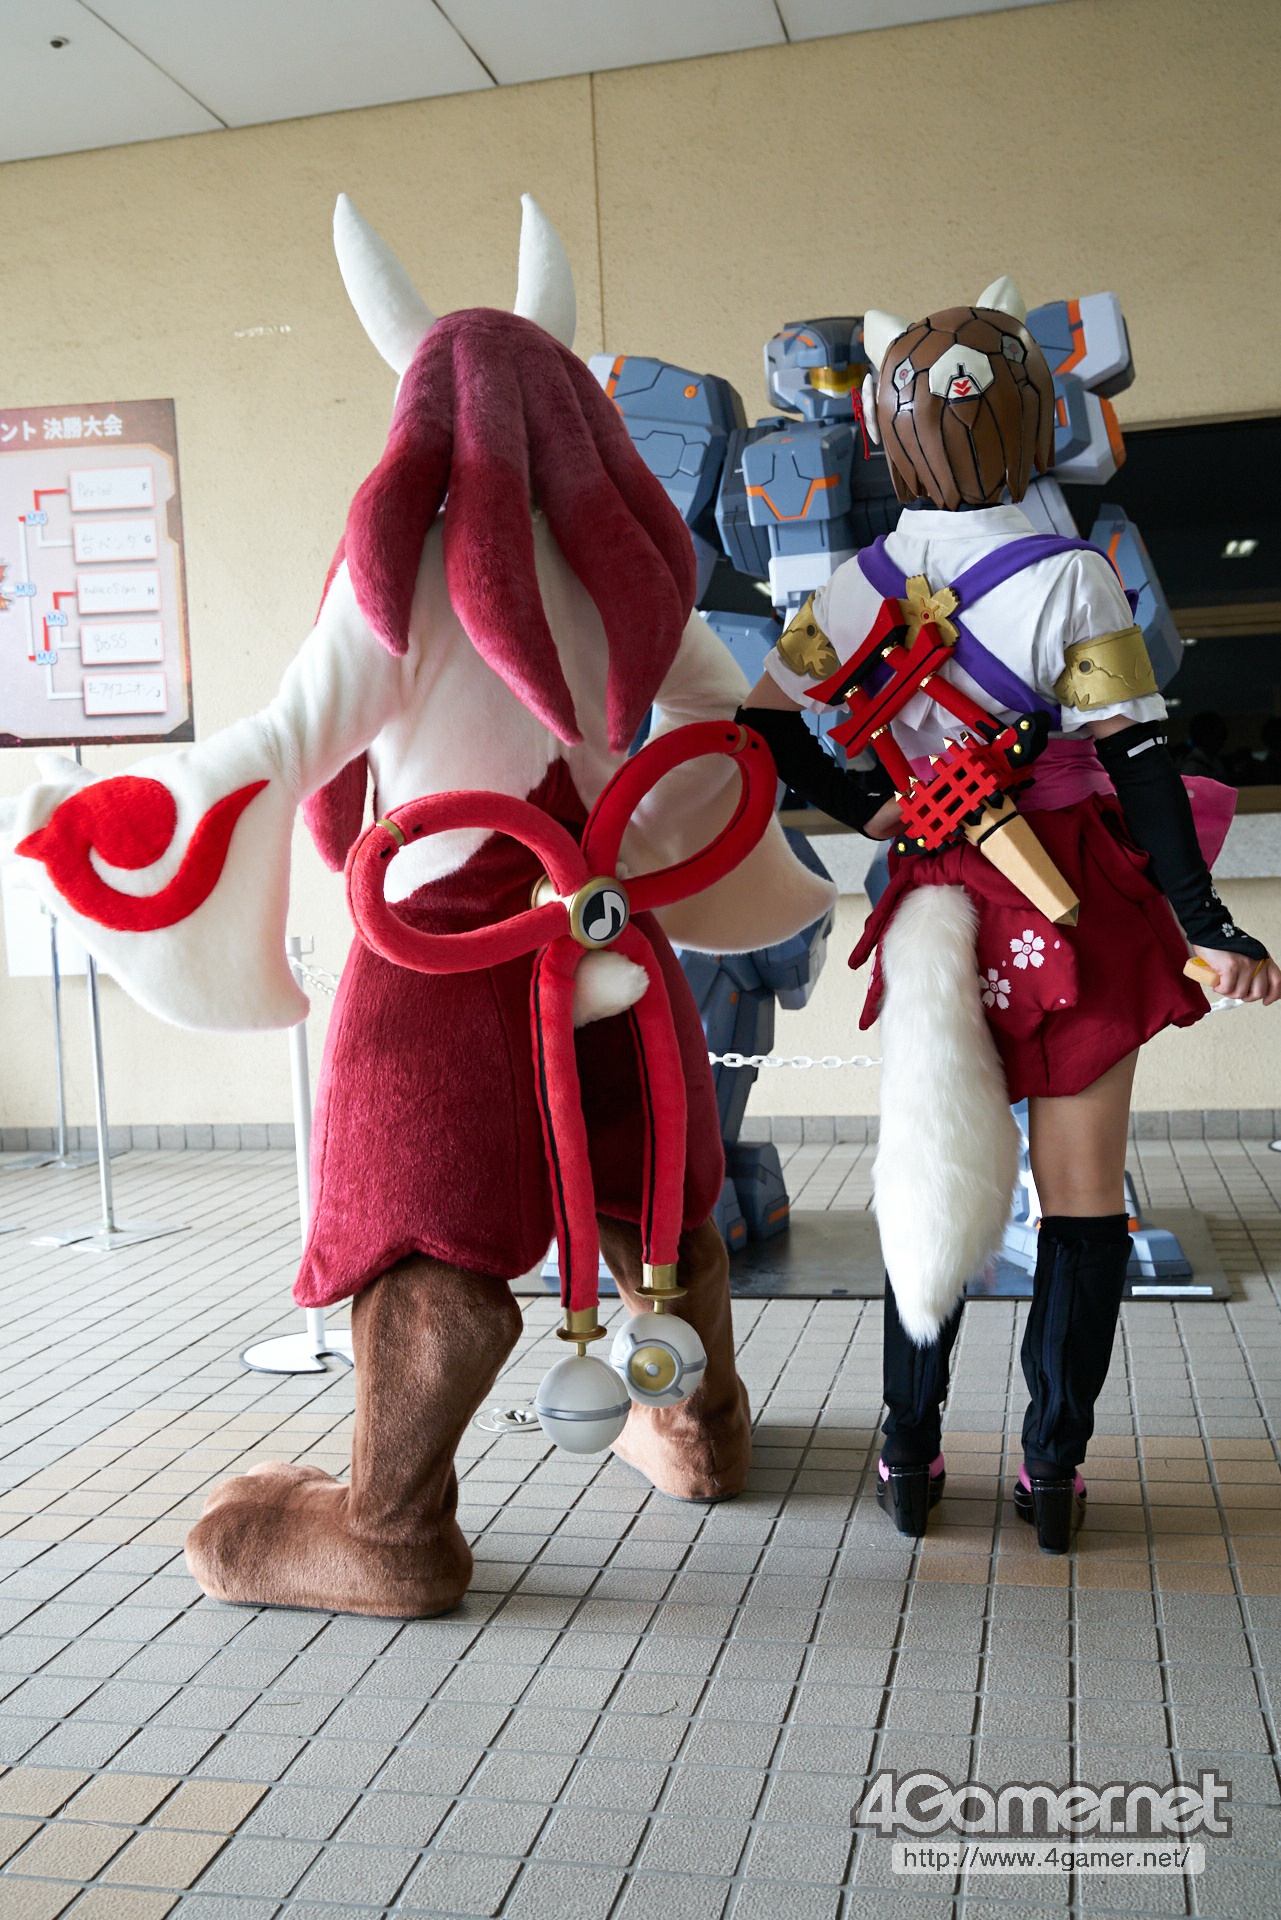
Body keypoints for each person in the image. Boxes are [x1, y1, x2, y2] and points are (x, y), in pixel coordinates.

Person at [738, 283, 1280, 1554]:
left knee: (926, 1171)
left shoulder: (858, 585)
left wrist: (870, 807)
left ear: (887, 435)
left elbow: (761, 725)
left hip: (937, 901)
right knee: (1083, 1204)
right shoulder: (1075, 578)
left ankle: (908, 1450)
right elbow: (1142, 762)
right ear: (1036, 421)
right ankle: (1052, 1465)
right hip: (1071, 900)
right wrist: (1208, 922)